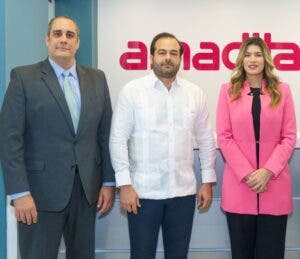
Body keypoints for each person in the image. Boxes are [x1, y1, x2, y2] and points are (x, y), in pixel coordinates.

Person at [0, 16, 115, 259]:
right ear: (47, 39)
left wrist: (108, 182)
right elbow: (10, 139)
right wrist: (19, 193)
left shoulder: (97, 79)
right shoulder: (23, 77)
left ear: (78, 42)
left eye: (70, 35)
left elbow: (105, 135)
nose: (64, 39)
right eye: (58, 34)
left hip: (86, 192)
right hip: (38, 195)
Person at [109, 32, 216, 259]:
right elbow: (118, 138)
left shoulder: (194, 94)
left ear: (180, 59)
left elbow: (206, 139)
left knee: (178, 255)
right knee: (141, 255)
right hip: (142, 194)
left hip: (183, 194)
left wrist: (207, 181)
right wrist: (124, 185)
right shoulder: (132, 91)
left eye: (173, 53)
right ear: (151, 57)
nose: (167, 58)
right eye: (162, 52)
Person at [216, 36, 296, 259]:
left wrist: (268, 171)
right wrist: (249, 173)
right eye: (248, 54)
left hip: (274, 184)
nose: (253, 59)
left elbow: (289, 137)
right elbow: (224, 136)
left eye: (258, 54)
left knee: (271, 253)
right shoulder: (227, 91)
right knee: (241, 254)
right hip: (241, 186)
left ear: (266, 59)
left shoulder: (283, 90)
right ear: (241, 59)